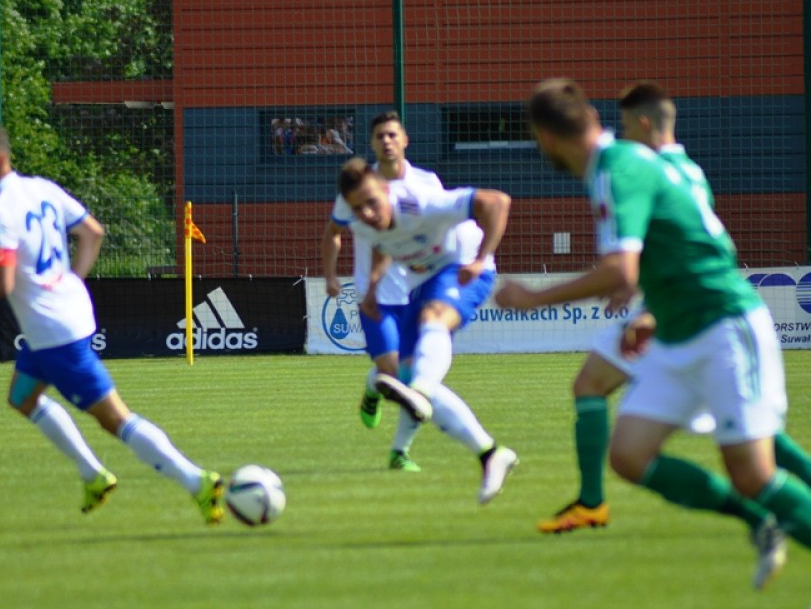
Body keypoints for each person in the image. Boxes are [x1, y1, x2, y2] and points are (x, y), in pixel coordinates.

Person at [495, 78, 811, 588]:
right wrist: (652, 308)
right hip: (676, 331)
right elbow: (669, 247)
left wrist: (532, 297)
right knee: (629, 456)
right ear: (592, 118)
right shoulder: (617, 166)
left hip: (723, 323)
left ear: (544, 138)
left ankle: (764, 514)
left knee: (754, 473)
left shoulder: (618, 169)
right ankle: (761, 522)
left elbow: (621, 269)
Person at [0, 125, 225, 524]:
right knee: (22, 397)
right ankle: (93, 475)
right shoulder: (42, 189)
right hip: (61, 320)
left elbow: (3, 283)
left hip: (54, 333)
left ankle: (197, 481)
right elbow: (92, 232)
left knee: (115, 419)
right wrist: (73, 279)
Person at [339, 157, 519, 504]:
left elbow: (497, 202)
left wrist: (481, 258)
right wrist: (373, 288)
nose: (368, 213)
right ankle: (490, 454)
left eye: (372, 202)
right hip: (423, 280)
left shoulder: (420, 203)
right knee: (406, 374)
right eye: (358, 208)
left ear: (387, 190)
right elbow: (382, 244)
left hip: (463, 266)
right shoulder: (363, 223)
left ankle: (419, 393)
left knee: (433, 320)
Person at [322, 110, 477, 472]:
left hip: (418, 288)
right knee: (400, 376)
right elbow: (334, 232)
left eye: (392, 134)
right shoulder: (360, 187)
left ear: (405, 139)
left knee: (414, 377)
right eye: (380, 136)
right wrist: (330, 275)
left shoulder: (427, 182)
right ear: (372, 144)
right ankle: (375, 386)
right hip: (375, 295)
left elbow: (442, 227)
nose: (387, 141)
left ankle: (399, 451)